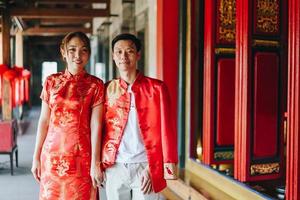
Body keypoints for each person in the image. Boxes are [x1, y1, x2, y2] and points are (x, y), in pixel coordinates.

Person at [101, 33, 178, 200]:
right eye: (119, 52)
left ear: (138, 55)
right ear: (113, 56)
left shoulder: (157, 89)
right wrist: (98, 165)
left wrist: (155, 168)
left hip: (146, 165)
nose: (124, 56)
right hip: (115, 166)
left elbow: (167, 131)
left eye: (129, 51)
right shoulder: (107, 90)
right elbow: (99, 129)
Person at [31, 31, 104, 200]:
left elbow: (96, 126)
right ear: (63, 52)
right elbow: (44, 121)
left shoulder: (95, 85)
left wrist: (96, 162)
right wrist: (36, 156)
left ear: (88, 54)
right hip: (52, 156)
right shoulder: (51, 82)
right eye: (72, 50)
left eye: (83, 50)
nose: (77, 55)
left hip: (82, 158)